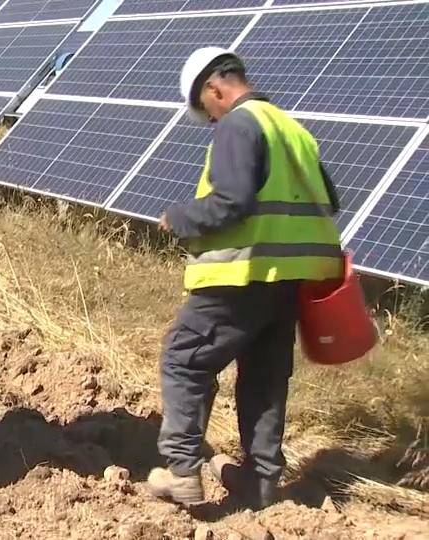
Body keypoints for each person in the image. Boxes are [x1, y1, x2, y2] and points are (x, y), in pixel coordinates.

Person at [147, 47, 345, 510]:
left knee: (185, 358)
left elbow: (232, 200)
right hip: (290, 283)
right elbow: (329, 202)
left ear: (215, 88)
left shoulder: (239, 124)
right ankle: (261, 481)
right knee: (264, 377)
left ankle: (182, 473)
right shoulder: (292, 130)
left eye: (207, 109)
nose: (212, 120)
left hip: (243, 275)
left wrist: (180, 217)